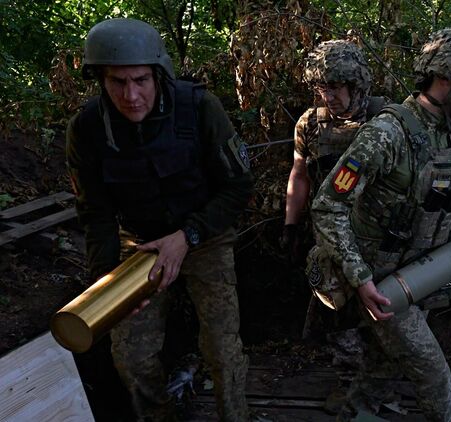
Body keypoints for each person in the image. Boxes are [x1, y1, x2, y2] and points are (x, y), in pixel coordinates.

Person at [311, 27, 451, 421]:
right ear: (447, 77)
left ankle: (353, 411)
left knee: (386, 363)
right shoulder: (386, 135)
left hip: (422, 275)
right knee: (434, 374)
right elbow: (328, 205)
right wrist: (361, 279)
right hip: (382, 283)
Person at [65, 18, 251, 421]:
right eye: (117, 82)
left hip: (205, 236)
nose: (130, 95)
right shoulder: (87, 129)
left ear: (158, 74)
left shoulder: (199, 108)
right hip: (140, 243)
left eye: (140, 80)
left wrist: (188, 235)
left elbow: (237, 187)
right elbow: (95, 215)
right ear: (100, 80)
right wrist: (105, 287)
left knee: (222, 348)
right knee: (131, 357)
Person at [281, 39, 385, 266]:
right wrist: (291, 226)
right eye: (322, 88)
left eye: (335, 87)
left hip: (376, 242)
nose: (328, 97)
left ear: (356, 84)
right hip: (328, 238)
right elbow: (299, 175)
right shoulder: (310, 122)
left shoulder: (386, 121)